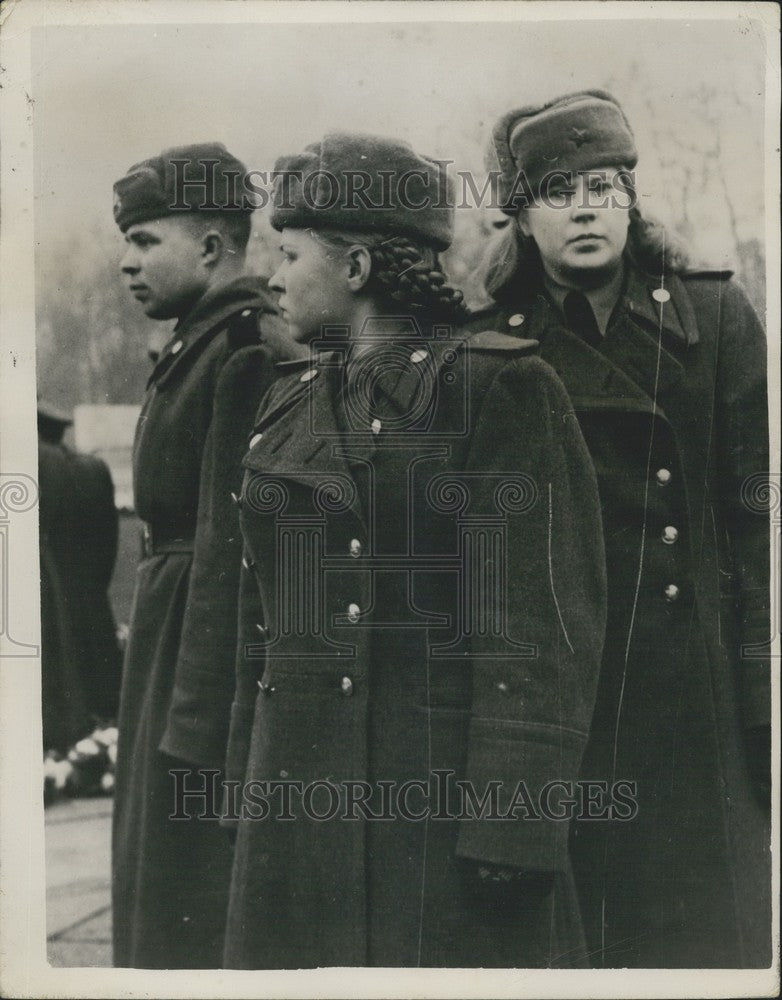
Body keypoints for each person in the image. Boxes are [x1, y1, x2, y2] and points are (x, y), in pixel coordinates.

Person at [222, 131, 606, 968]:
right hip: (296, 805)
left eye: (290, 255)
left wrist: (514, 821)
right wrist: (242, 793)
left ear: (358, 268)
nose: (273, 278)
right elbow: (261, 622)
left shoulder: (497, 385)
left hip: (433, 809)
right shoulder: (289, 400)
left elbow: (541, 625)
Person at [468, 90, 771, 967]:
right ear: (520, 216)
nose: (586, 209)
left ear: (632, 201)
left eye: (605, 187)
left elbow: (758, 525)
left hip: (697, 695)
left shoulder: (713, 318)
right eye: (559, 191)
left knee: (705, 940)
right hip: (569, 696)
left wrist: (765, 697)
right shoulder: (487, 342)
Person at [110, 142, 302, 968]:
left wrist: (197, 722)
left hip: (200, 649)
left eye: (145, 240)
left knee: (182, 887)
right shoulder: (200, 342)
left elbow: (235, 551)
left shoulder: (245, 348)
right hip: (171, 626)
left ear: (214, 247)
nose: (127, 262)